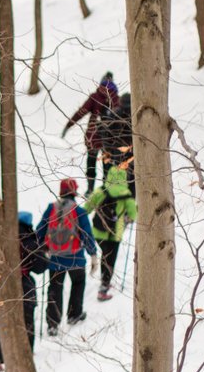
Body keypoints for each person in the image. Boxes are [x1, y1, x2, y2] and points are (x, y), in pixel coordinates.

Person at [0, 211, 48, 372]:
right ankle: (25, 353)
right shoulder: (29, 241)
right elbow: (41, 267)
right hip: (23, 285)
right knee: (26, 320)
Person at [36, 178, 98, 332]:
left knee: (55, 288)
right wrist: (93, 255)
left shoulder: (51, 208)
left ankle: (52, 324)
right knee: (78, 283)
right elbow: (87, 235)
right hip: (76, 258)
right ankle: (74, 315)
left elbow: (39, 231)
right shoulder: (79, 211)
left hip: (55, 258)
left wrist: (43, 248)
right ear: (74, 192)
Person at [83, 165, 137, 301]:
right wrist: (127, 218)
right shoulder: (126, 195)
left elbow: (85, 210)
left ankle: (104, 283)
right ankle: (104, 287)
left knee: (104, 257)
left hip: (98, 231)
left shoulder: (99, 191)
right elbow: (133, 215)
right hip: (115, 234)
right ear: (124, 178)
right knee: (109, 260)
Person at [61, 72, 121, 193]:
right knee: (107, 164)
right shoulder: (116, 99)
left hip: (93, 136)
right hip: (109, 138)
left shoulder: (95, 96)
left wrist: (68, 125)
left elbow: (81, 112)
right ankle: (105, 190)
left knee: (91, 162)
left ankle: (90, 189)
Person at [96, 92, 135, 196]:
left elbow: (106, 134)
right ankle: (128, 200)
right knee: (129, 178)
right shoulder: (135, 114)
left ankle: (118, 199)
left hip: (120, 151)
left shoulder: (116, 113)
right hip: (128, 151)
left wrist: (108, 150)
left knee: (119, 177)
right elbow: (106, 134)